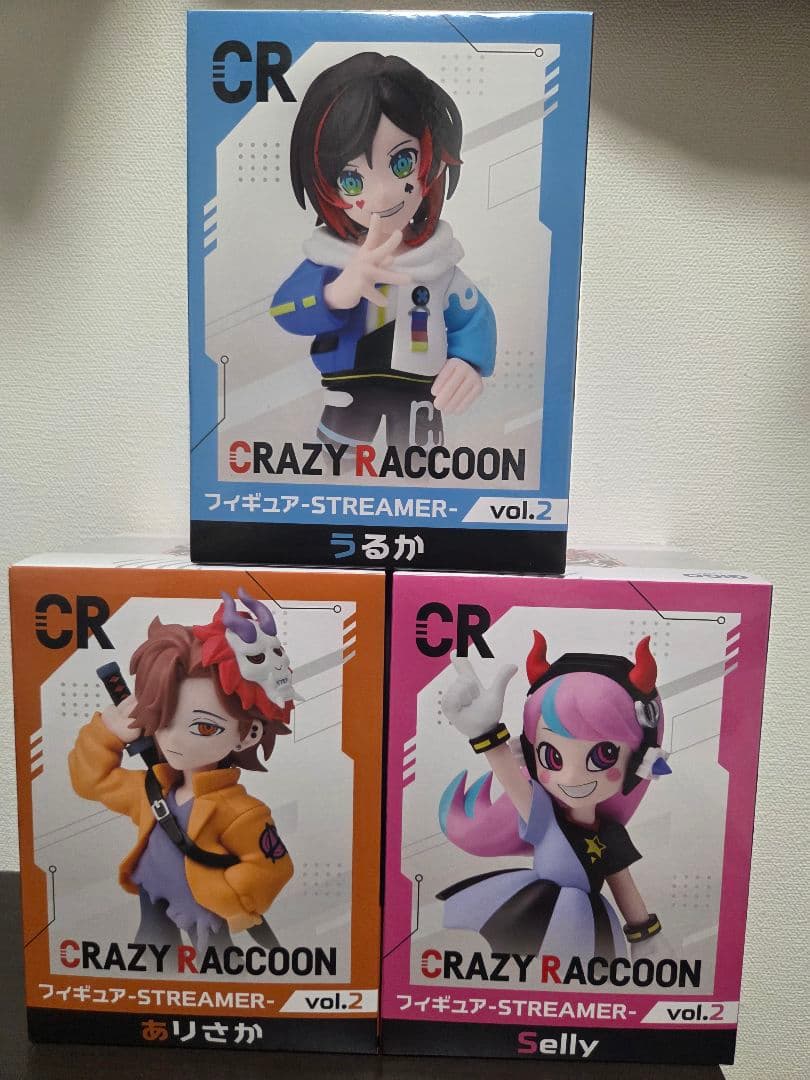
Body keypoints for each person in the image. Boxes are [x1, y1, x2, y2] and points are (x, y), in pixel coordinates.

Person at [271, 52, 496, 449]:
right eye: (352, 180)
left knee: (418, 467)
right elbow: (285, 309)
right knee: (333, 463)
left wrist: (469, 362)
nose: (382, 195)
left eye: (402, 162)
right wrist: (335, 293)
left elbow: (472, 315)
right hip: (347, 391)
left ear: (432, 160)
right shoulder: (330, 258)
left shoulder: (435, 263)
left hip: (419, 395)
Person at [69, 590, 294, 950]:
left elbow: (272, 867)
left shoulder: (241, 812)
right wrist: (107, 734)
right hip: (152, 897)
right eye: (162, 718)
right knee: (151, 959)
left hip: (203, 912)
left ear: (248, 734)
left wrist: (224, 896)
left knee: (218, 967)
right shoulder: (152, 789)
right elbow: (92, 781)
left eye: (204, 727)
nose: (173, 738)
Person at [438, 633, 672, 960]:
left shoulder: (611, 834)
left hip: (585, 924)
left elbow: (624, 888)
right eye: (552, 757)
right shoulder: (546, 819)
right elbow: (512, 780)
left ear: (639, 762)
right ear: (532, 754)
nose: (572, 778)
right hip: (537, 909)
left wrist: (645, 937)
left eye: (604, 755)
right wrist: (485, 734)